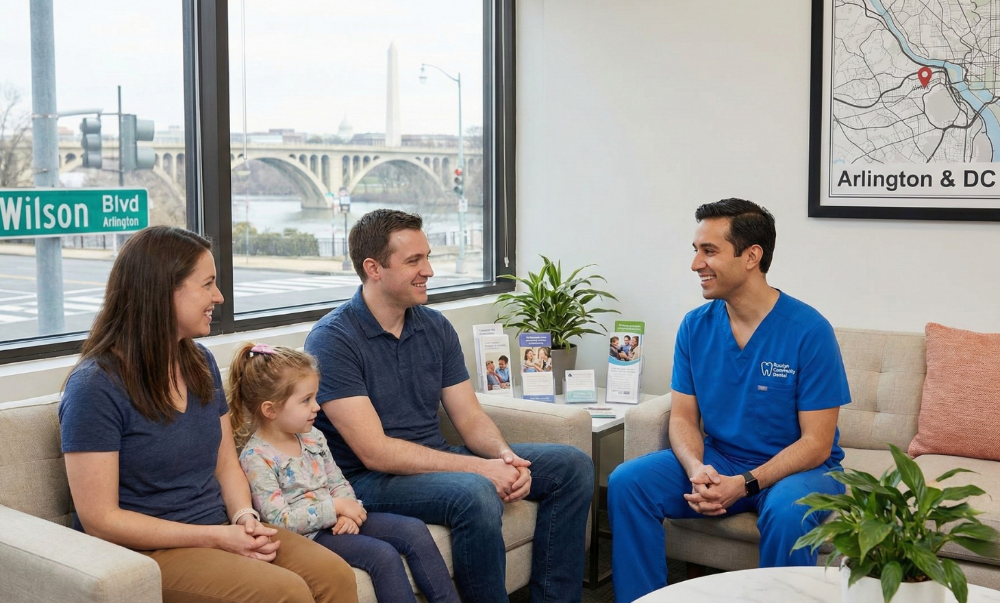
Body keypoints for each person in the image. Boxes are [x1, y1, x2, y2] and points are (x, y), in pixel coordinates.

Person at [304, 209, 593, 603]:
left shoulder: (434, 326)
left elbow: (470, 417)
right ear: (373, 268)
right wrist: (482, 469)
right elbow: (374, 452)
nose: (429, 271)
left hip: (434, 459)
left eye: (427, 257)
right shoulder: (333, 340)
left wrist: (507, 459)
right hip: (365, 481)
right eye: (413, 261)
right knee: (474, 491)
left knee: (571, 466)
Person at [58, 226, 357, 603]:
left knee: (334, 574)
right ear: (163, 292)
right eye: (208, 284)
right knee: (285, 592)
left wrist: (244, 518)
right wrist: (216, 537)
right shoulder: (94, 388)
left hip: (219, 527)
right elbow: (101, 520)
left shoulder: (200, 362)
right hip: (146, 553)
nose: (218, 296)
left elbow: (225, 464)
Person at [608, 199, 851, 603]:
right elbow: (684, 418)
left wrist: (744, 484)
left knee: (789, 513)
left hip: (800, 469)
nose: (695, 264)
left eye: (709, 251)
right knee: (627, 483)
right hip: (721, 460)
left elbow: (816, 443)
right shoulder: (695, 327)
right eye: (695, 250)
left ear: (751, 256)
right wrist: (696, 467)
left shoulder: (809, 331)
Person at [228, 343, 460, 603]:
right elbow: (280, 520)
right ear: (270, 409)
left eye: (315, 397)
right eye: (306, 400)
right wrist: (336, 508)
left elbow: (338, 481)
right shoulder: (256, 457)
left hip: (338, 518)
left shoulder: (313, 437)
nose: (316, 407)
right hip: (310, 537)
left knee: (414, 530)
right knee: (382, 555)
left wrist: (349, 509)